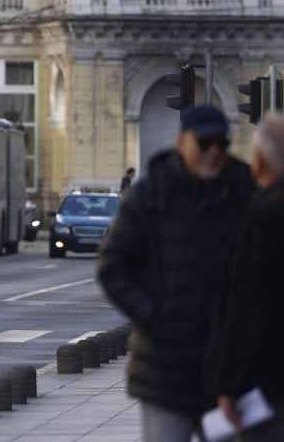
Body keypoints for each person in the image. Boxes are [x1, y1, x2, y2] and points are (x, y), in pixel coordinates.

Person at [97, 105, 255, 442]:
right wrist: (152, 314)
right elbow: (113, 266)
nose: (213, 152)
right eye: (205, 143)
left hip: (226, 373)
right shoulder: (150, 195)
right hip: (164, 371)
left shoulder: (242, 190)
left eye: (221, 145)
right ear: (182, 142)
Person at [208, 115, 284, 440]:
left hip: (270, 383)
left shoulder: (263, 216)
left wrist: (229, 385)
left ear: (259, 163)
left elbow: (247, 308)